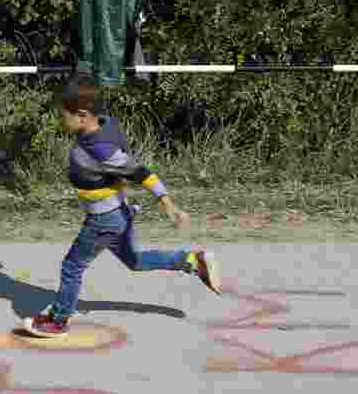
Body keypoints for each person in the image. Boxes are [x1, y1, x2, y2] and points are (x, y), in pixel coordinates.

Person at [23, 73, 221, 338]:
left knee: (72, 267)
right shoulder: (105, 123)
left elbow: (139, 171)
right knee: (135, 261)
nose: (61, 119)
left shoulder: (100, 148)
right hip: (119, 213)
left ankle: (58, 320)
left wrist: (167, 201)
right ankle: (191, 261)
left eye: (64, 115)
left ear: (82, 115)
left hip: (104, 218)